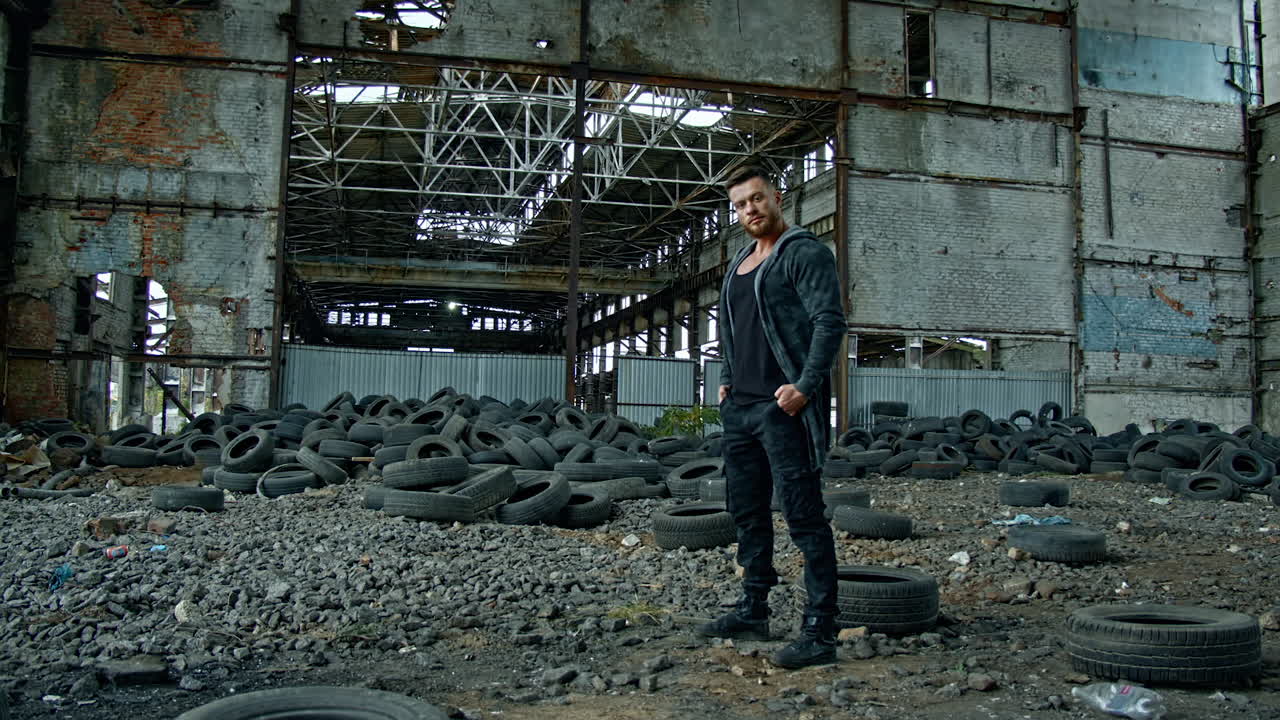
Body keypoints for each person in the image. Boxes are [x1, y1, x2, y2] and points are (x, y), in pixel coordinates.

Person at [697, 165, 847, 669]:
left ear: (776, 198)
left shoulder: (804, 253)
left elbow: (830, 321)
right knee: (748, 513)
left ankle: (820, 631)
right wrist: (724, 377)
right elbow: (730, 330)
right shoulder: (740, 262)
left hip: (783, 409)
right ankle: (753, 608)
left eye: (757, 199)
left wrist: (805, 387)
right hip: (741, 408)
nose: (750, 210)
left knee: (804, 518)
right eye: (740, 205)